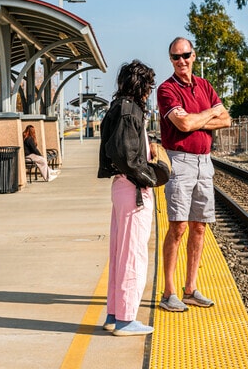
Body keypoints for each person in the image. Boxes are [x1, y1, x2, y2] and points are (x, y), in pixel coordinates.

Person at [156, 37, 231, 312]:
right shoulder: (166, 90)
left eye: (185, 55)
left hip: (204, 162)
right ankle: (168, 292)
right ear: (171, 60)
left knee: (199, 226)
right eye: (176, 57)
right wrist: (210, 112)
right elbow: (184, 123)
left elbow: (227, 119)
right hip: (180, 162)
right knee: (178, 226)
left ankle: (190, 289)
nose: (181, 61)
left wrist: (200, 116)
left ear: (194, 55)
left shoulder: (205, 86)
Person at [97, 59, 164, 336]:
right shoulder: (130, 111)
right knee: (133, 255)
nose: (149, 90)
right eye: (148, 84)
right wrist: (150, 176)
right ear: (141, 85)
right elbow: (126, 155)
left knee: (120, 253)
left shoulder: (118, 108)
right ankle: (125, 319)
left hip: (123, 188)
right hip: (133, 190)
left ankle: (115, 314)